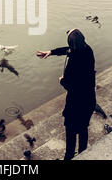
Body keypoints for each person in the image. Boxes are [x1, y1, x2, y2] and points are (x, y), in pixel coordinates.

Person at [37, 28, 96, 160]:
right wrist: (51, 52)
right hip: (89, 100)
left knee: (70, 132)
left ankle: (69, 157)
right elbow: (67, 49)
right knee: (83, 128)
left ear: (71, 43)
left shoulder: (73, 62)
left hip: (75, 104)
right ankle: (83, 153)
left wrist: (62, 80)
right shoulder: (87, 50)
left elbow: (70, 86)